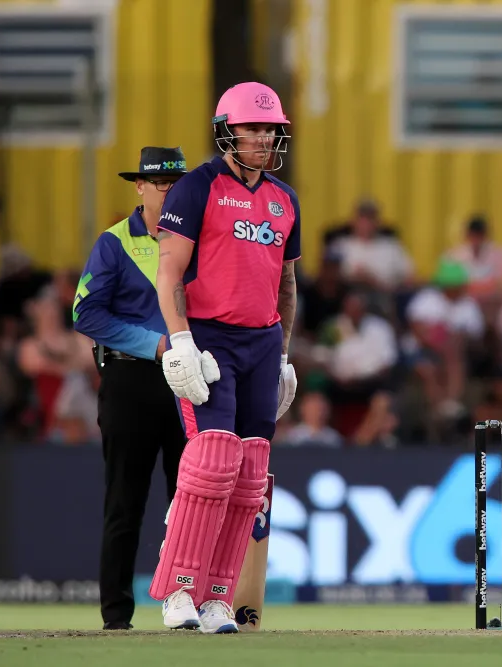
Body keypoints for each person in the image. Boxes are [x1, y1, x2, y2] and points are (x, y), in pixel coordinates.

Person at [150, 82, 300, 633]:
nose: (263, 138)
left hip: (263, 342)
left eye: (270, 129)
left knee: (250, 473)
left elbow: (286, 284)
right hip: (210, 336)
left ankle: (217, 596)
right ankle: (177, 590)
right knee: (212, 461)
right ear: (226, 133)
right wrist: (181, 341)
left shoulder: (284, 199)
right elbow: (169, 273)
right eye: (252, 128)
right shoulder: (197, 188)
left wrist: (282, 355)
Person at [72, 147, 189, 630]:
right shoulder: (115, 241)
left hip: (187, 381)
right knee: (125, 501)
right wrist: (156, 344)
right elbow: (85, 314)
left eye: (178, 184)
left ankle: (186, 602)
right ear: (139, 187)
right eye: (162, 183)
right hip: (131, 379)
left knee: (189, 501)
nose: (171, 192)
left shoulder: (196, 239)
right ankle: (116, 616)